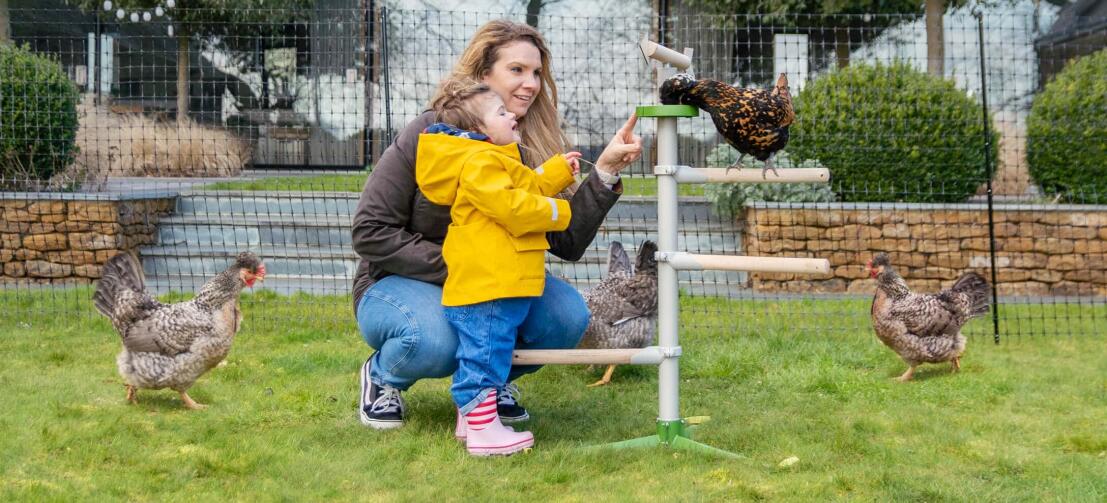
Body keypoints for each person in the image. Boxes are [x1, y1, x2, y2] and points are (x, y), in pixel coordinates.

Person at [352, 19, 642, 431]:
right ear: (484, 74)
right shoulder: (427, 135)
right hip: (399, 279)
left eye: (537, 72)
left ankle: (486, 390)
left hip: (490, 278)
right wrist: (465, 267)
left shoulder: (519, 141)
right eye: (517, 70)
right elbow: (370, 231)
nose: (531, 83)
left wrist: (605, 173)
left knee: (566, 315)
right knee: (436, 339)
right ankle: (383, 376)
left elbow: (566, 240)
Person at [416, 79, 580, 455]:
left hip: (498, 280)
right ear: (478, 131)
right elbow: (515, 209)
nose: (511, 115)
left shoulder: (493, 160)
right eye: (500, 112)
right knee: (485, 354)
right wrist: (561, 211)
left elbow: (523, 187)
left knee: (488, 350)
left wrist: (556, 173)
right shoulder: (480, 163)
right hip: (489, 282)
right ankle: (484, 432)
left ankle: (471, 422)